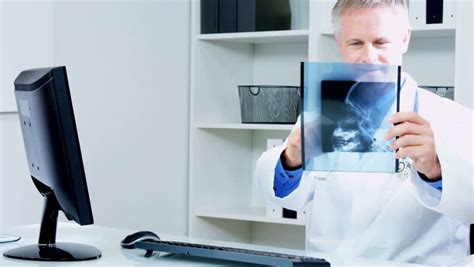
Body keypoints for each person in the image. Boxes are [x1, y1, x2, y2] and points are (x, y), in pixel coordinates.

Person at [255, 0, 474, 264]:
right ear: (339, 44)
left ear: (404, 39)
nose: (369, 57)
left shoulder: (453, 118)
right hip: (332, 262)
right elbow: (286, 196)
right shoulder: (319, 115)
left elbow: (470, 207)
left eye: (381, 42)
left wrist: (436, 170)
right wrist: (291, 160)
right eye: (356, 43)